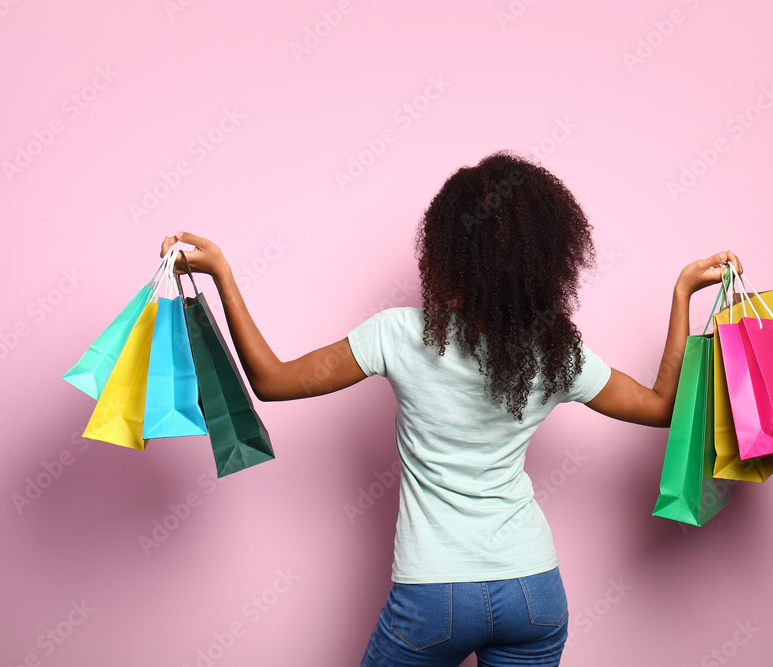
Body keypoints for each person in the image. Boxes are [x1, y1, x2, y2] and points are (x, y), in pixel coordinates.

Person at [160, 151, 741, 666]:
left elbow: (273, 380)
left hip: (433, 595)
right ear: (547, 257)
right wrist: (683, 294)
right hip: (533, 591)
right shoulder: (557, 354)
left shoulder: (400, 335)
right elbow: (664, 406)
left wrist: (222, 277)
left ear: (448, 253)